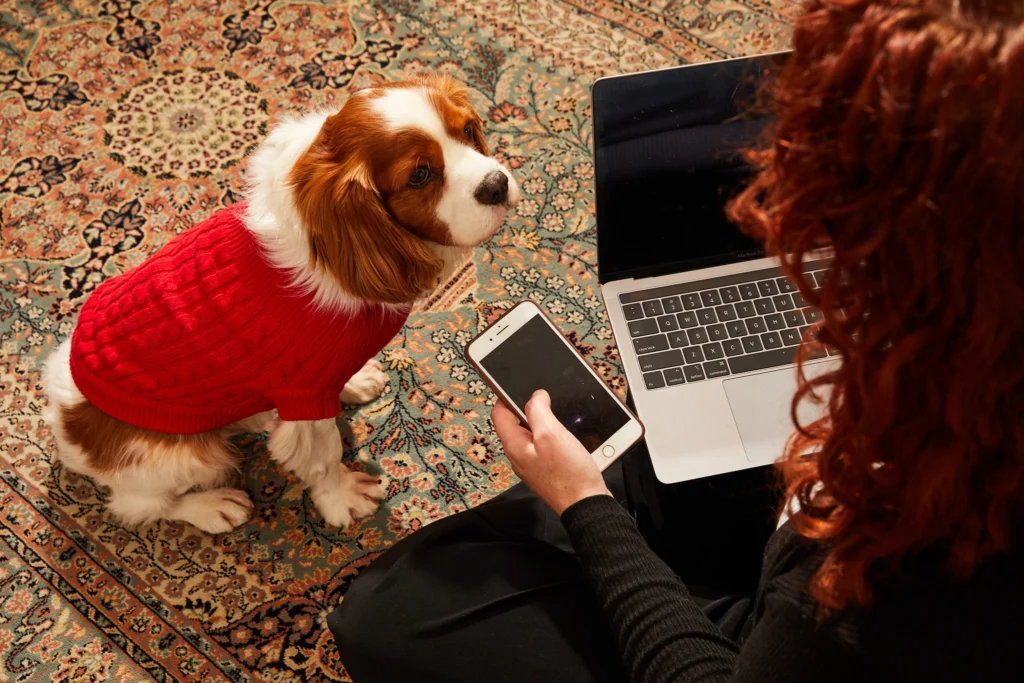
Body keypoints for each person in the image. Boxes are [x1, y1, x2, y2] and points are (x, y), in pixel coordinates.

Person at [329, 0, 1024, 680]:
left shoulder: (886, 575)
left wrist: (585, 505)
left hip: (772, 633)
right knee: (648, 450)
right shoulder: (978, 349)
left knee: (389, 615)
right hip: (819, 529)